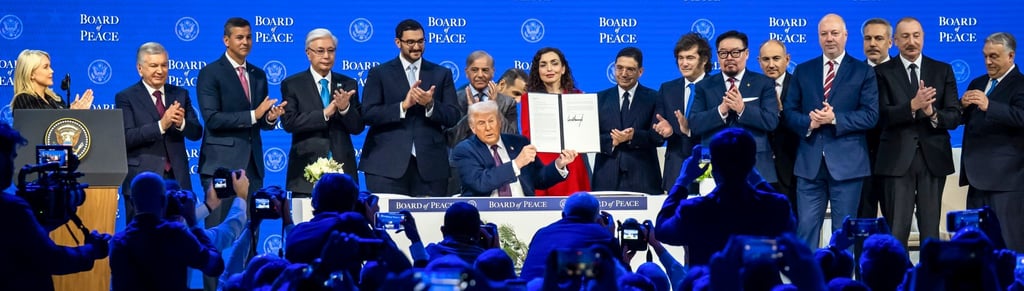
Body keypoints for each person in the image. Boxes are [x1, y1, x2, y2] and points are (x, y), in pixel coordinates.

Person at [783, 13, 879, 248]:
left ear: (845, 36)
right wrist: (810, 122)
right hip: (809, 165)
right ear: (818, 38)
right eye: (824, 34)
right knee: (805, 230)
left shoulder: (863, 71)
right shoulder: (803, 71)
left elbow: (870, 115)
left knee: (843, 233)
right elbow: (789, 112)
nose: (829, 38)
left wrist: (835, 118)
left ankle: (841, 283)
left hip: (848, 167)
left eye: (834, 33)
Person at [874, 17, 960, 249]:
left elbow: (954, 116)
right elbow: (880, 115)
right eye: (905, 36)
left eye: (916, 36)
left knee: (930, 230)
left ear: (923, 38)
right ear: (894, 41)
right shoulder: (881, 73)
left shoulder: (942, 70)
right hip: (896, 160)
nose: (911, 41)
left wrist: (932, 112)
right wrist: (912, 106)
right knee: (896, 230)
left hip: (933, 159)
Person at [196, 17, 284, 238]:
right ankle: (212, 274)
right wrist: (255, 114)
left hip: (252, 168)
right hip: (221, 166)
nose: (245, 42)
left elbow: (261, 122)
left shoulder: (258, 75)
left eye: (249, 37)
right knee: (214, 236)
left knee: (251, 233)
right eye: (239, 38)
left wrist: (270, 118)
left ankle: (250, 274)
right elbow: (213, 119)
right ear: (226, 40)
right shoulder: (210, 73)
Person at [656, 128, 795, 266]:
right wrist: (757, 179)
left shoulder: (694, 210)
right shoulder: (774, 206)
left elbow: (662, 230)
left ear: (714, 166)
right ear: (753, 162)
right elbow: (789, 226)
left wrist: (683, 180)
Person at [0, 123, 110, 291]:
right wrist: (92, 250)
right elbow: (51, 259)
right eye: (11, 158)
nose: (13, 166)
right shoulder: (12, 209)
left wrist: (41, 228)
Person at [360, 19, 459, 197]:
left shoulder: (441, 74)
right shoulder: (379, 73)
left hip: (431, 167)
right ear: (398, 42)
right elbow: (367, 113)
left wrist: (430, 104)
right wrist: (402, 106)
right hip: (386, 166)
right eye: (410, 42)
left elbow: (453, 115)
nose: (416, 47)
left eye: (421, 41)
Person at [116, 42, 203, 222]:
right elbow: (127, 137)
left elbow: (196, 132)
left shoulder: (180, 94)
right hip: (142, 182)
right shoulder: (126, 97)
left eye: (164, 65)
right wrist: (161, 125)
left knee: (180, 238)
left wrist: (181, 123)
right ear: (140, 68)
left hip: (177, 180)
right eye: (154, 66)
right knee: (142, 241)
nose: (160, 70)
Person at [960, 32, 1024, 253]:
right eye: (985, 56)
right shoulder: (977, 82)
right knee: (976, 245)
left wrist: (990, 105)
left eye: (994, 56)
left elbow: (1021, 117)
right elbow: (963, 120)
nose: (988, 62)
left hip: (1007, 182)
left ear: (1011, 56)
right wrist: (961, 106)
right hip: (976, 180)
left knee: (1008, 244)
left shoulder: (1021, 85)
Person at [688, 30, 779, 185]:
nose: (729, 58)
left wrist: (742, 109)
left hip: (755, 166)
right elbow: (694, 123)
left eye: (735, 52)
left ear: (747, 54)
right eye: (723, 53)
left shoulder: (763, 83)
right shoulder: (704, 86)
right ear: (717, 56)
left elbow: (771, 121)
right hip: (714, 166)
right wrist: (720, 111)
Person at [280, 28, 363, 196]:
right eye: (320, 51)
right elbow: (290, 123)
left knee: (344, 221)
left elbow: (357, 127)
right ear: (308, 53)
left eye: (331, 51)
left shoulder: (348, 84)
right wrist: (325, 113)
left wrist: (344, 109)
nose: (326, 56)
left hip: (343, 172)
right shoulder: (292, 84)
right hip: (305, 171)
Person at [110, 172, 224, 290]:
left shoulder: (117, 242)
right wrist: (193, 222)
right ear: (164, 201)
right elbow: (215, 266)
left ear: (132, 203)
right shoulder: (175, 234)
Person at [453, 101, 574, 197]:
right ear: (473, 128)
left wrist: (558, 164)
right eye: (481, 123)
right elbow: (480, 183)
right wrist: (516, 164)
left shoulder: (519, 142)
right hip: (485, 213)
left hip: (523, 209)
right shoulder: (465, 150)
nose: (488, 127)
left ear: (499, 122)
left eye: (491, 121)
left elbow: (539, 179)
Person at [520, 47, 591, 196]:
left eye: (554, 63)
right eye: (543, 65)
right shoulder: (529, 98)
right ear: (538, 71)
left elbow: (585, 133)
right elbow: (527, 134)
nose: (549, 69)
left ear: (563, 68)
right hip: (543, 162)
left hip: (572, 159)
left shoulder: (578, 96)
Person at [446, 51, 519, 195]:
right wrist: (471, 113)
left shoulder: (507, 102)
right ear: (466, 72)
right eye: (474, 70)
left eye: (485, 70)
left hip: (497, 169)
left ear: (493, 72)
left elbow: (512, 137)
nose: (480, 75)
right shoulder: (452, 99)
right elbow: (450, 140)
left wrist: (494, 107)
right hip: (461, 173)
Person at [593, 47, 663, 194]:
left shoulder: (655, 98)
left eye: (630, 69)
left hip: (644, 178)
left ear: (640, 72)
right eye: (619, 68)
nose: (624, 74)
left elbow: (658, 138)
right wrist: (612, 141)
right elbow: (588, 138)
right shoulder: (598, 99)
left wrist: (633, 136)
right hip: (606, 177)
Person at [653, 33, 712, 192]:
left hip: (708, 165)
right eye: (680, 58)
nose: (684, 63)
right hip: (676, 169)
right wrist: (667, 132)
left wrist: (690, 130)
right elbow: (657, 129)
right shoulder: (667, 89)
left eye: (690, 58)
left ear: (704, 59)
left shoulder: (717, 88)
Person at [519, 192, 620, 281]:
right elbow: (619, 276)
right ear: (597, 219)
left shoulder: (541, 233)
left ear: (563, 215)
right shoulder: (600, 234)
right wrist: (610, 236)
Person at [759, 39, 799, 212]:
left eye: (776, 58)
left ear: (787, 59)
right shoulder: (752, 87)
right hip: (760, 171)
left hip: (792, 170)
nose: (771, 64)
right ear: (759, 61)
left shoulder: (800, 85)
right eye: (766, 59)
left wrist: (782, 113)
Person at [859, 17, 893, 220]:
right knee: (862, 224)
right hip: (860, 161)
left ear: (890, 42)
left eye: (878, 38)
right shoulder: (852, 72)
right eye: (868, 38)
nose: (872, 43)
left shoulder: (904, 73)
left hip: (895, 161)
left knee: (896, 225)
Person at [10, 49, 93, 109]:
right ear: (31, 74)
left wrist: (73, 112)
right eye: (45, 67)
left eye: (50, 66)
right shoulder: (24, 98)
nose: (52, 71)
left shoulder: (56, 99)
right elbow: (39, 128)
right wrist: (72, 113)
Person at [424, 202, 496, 263]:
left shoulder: (429, 253)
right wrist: (494, 249)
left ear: (443, 231)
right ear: (478, 233)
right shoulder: (485, 261)